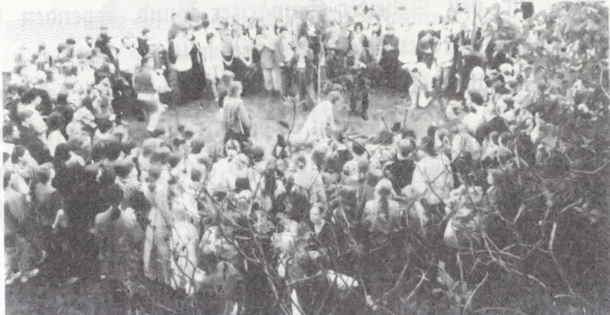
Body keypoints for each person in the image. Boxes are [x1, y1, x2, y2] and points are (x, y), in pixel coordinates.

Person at [133, 55, 169, 132]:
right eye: (151, 61)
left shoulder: (137, 72)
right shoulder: (151, 73)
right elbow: (157, 87)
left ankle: (150, 127)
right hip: (150, 96)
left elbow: (134, 84)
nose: (153, 63)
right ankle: (151, 129)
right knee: (156, 112)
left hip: (140, 96)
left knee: (148, 113)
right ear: (145, 63)